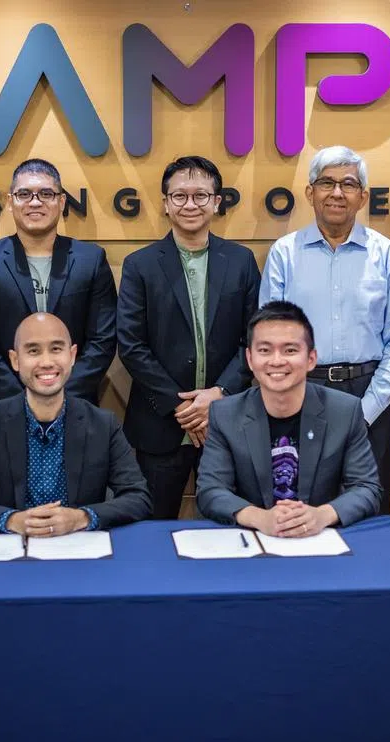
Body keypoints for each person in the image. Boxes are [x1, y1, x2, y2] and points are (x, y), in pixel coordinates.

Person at [259, 146, 390, 516]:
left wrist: (365, 411)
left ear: (363, 196)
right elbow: (270, 339)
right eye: (327, 183)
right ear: (310, 192)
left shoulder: (385, 254)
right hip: (302, 395)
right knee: (300, 510)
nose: (337, 193)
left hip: (370, 395)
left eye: (349, 184)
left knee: (368, 511)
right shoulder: (284, 253)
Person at [117, 156, 261, 519]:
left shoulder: (241, 261)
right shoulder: (140, 265)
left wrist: (219, 394)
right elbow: (131, 345)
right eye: (179, 196)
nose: (190, 204)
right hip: (161, 423)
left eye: (201, 195)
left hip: (227, 420)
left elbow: (255, 339)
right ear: (166, 204)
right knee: (154, 527)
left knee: (231, 524)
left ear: (217, 202)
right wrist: (182, 407)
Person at [0, 313, 151, 534]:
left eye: (56, 349)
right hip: (12, 547)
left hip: (79, 545)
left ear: (72, 355)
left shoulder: (103, 425)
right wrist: (11, 520)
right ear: (15, 360)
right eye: (33, 351)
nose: (47, 362)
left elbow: (138, 497)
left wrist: (81, 518)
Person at [196, 301, 381, 535]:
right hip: (252, 541)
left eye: (290, 350)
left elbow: (366, 488)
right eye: (265, 350)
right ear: (250, 359)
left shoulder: (345, 411)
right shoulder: (225, 414)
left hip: (319, 540)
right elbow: (210, 491)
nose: (276, 361)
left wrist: (321, 515)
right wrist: (260, 518)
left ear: (311, 359)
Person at [0, 158, 117, 408]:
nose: (35, 202)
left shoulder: (91, 260)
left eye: (46, 194)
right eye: (24, 194)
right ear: (10, 202)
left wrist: (60, 399)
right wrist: (23, 403)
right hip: (3, 408)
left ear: (61, 202)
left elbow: (102, 341)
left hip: (76, 406)